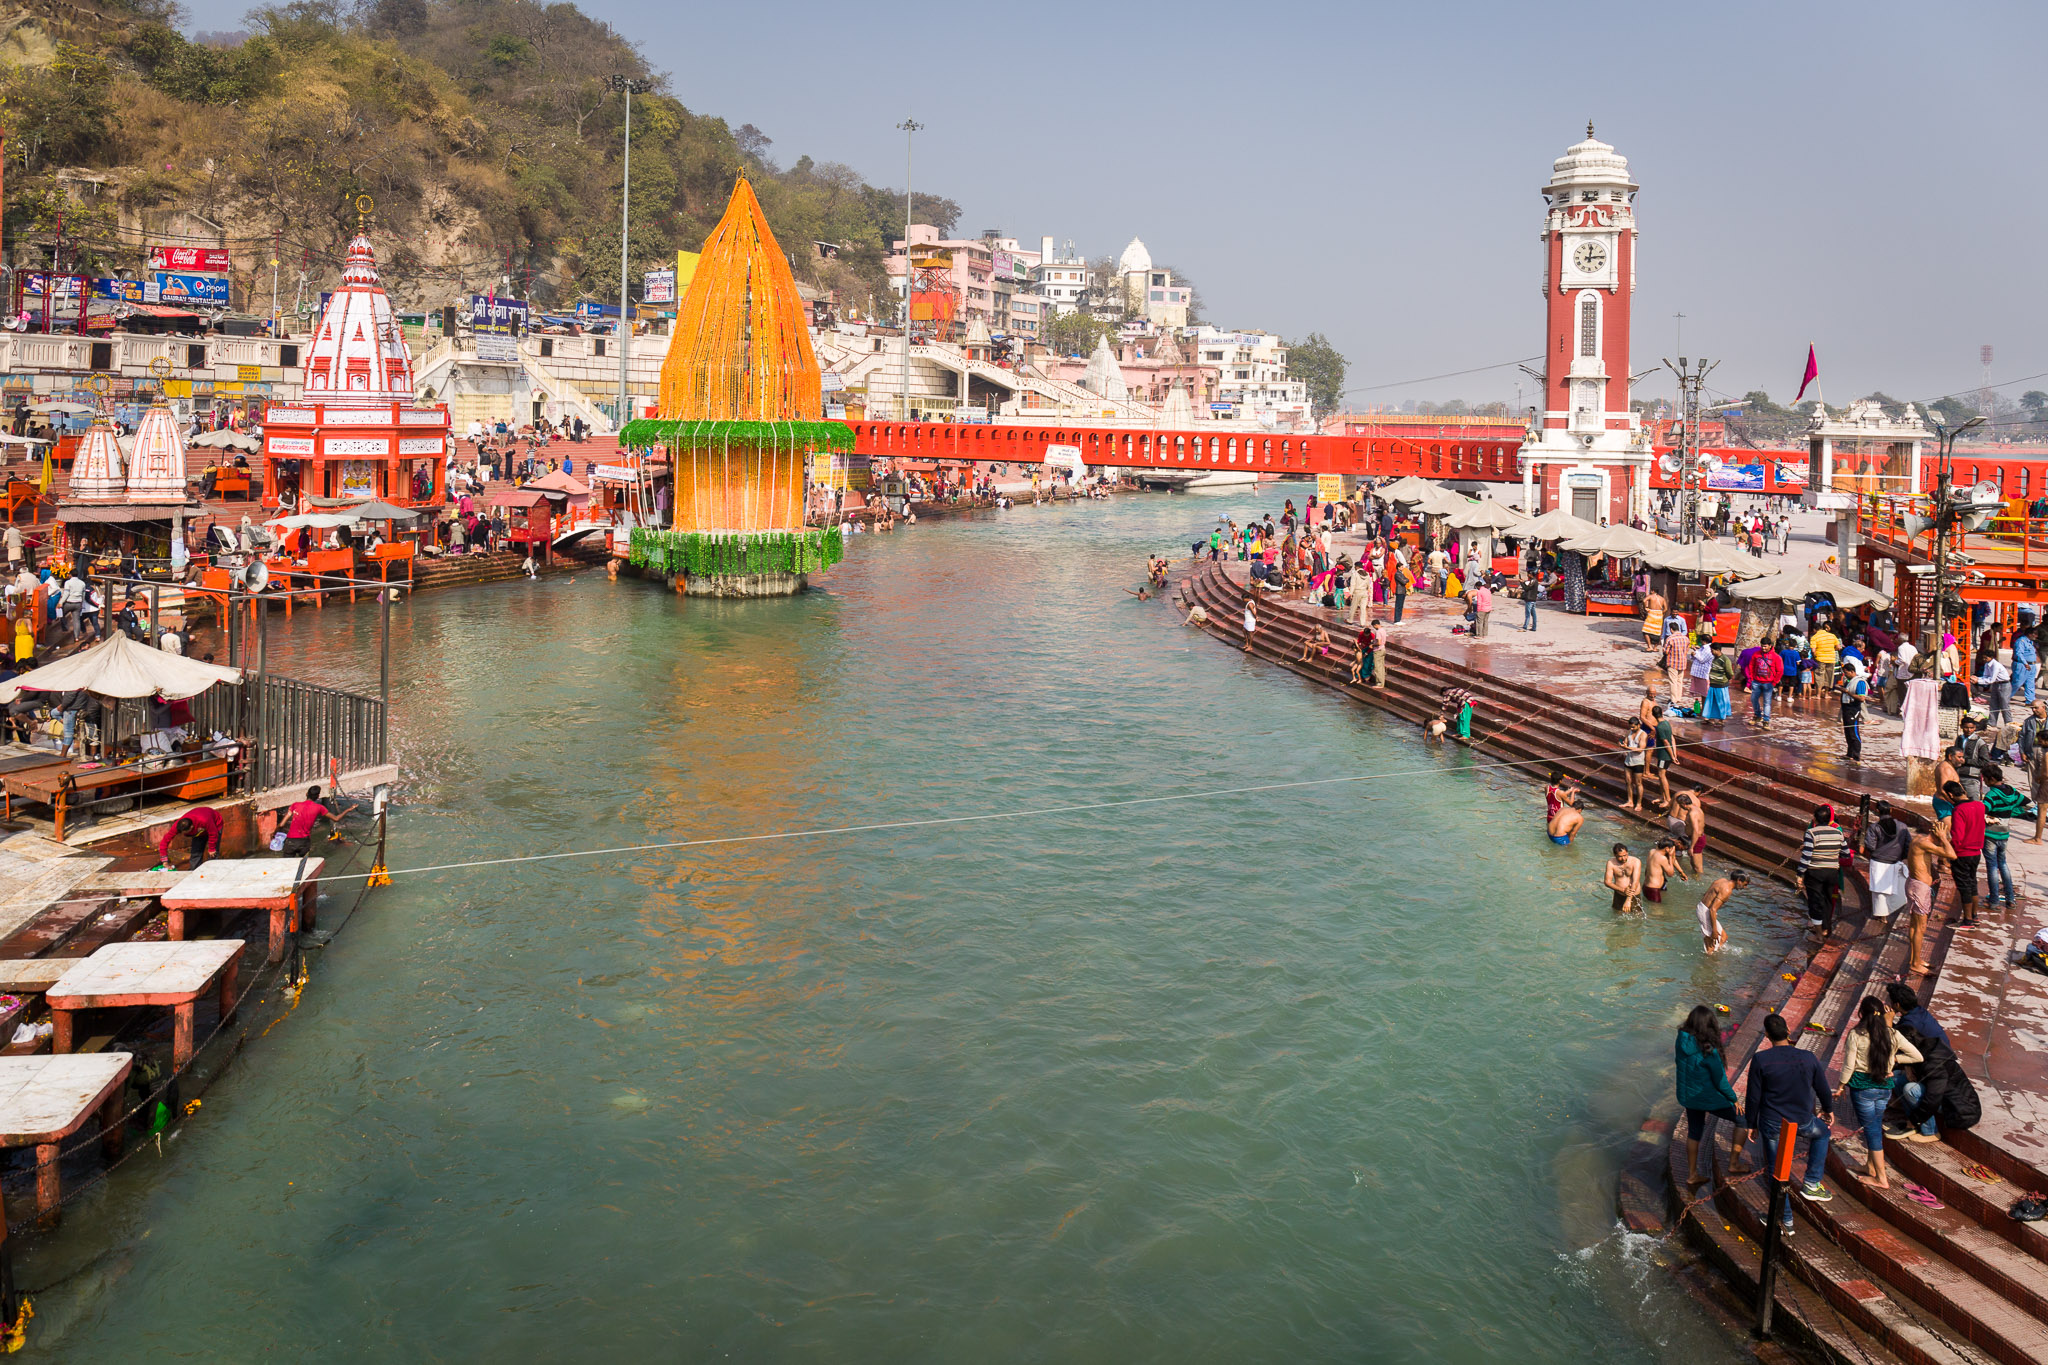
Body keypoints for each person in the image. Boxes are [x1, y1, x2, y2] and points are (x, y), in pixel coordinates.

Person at [1744, 1011, 1835, 1230]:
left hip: (1773, 1123)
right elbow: (1822, 1088)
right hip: (1803, 1120)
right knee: (1822, 1133)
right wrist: (1828, 1109)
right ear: (1788, 1031)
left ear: (1767, 1035)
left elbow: (1753, 1096)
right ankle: (1812, 1182)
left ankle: (1785, 1219)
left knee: (1777, 1171)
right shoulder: (1808, 1057)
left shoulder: (1761, 1059)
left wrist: (1751, 1124)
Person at [1833, 995, 1920, 1190]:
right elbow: (1916, 1056)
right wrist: (1895, 1062)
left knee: (1871, 1131)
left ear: (1861, 1014)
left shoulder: (1856, 1035)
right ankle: (1870, 1167)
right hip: (1884, 1088)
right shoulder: (1892, 1033)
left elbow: (1848, 1066)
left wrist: (1840, 1086)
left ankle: (1881, 1178)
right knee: (1874, 1126)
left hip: (1862, 1089)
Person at [1676, 1003, 1749, 1190]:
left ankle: (1692, 1175)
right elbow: (1721, 1082)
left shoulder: (1681, 1041)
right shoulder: (1709, 1050)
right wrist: (1734, 1099)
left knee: (1694, 1132)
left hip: (1689, 1097)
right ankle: (1734, 1163)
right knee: (1742, 1119)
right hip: (1708, 1097)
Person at [1978, 762, 2030, 912]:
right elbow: (2028, 804)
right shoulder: (2012, 791)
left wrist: (1991, 817)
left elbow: (1983, 812)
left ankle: (1994, 900)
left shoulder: (1992, 795)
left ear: (1992, 779)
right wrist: (2010, 813)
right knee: (2003, 864)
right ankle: (2010, 899)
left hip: (1991, 834)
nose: (1985, 782)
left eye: (1986, 779)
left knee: (1992, 867)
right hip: (2004, 834)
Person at [1798, 804, 1847, 935]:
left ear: (1816, 819)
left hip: (1815, 872)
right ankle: (1825, 928)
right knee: (1828, 900)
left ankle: (1819, 934)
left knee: (1815, 901)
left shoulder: (1811, 833)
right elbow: (1846, 853)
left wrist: (1800, 873)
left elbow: (1807, 856)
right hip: (1832, 872)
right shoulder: (1838, 832)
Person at [1945, 779, 1985, 928]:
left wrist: (1947, 849)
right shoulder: (1979, 806)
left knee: (1964, 887)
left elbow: (1958, 837)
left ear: (1950, 794)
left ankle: (1967, 920)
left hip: (1963, 853)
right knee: (1972, 883)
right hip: (1976, 852)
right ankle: (1974, 916)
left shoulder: (1958, 810)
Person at [157, 806, 223, 870]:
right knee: (195, 852)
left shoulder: (204, 820)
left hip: (215, 825)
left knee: (213, 853)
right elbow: (164, 842)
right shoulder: (177, 826)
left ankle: (212, 870)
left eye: (186, 832)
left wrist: (211, 848)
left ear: (191, 827)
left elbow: (213, 833)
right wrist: (165, 861)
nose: (184, 834)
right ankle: (194, 871)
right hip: (199, 832)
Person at [1696, 869, 1746, 953]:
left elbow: (1706, 894)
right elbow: (1713, 909)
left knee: (1723, 937)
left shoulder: (1721, 880)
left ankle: (1714, 957)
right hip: (1706, 912)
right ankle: (1708, 961)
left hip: (1702, 907)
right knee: (1711, 946)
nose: (1745, 887)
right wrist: (1714, 930)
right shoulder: (1727, 890)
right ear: (1739, 880)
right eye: (1745, 885)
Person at [279, 786, 339, 856]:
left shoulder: (295, 805)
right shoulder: (319, 808)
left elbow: (281, 824)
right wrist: (348, 809)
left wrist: (275, 831)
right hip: (304, 841)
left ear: (306, 794)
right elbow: (336, 818)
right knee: (304, 864)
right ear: (318, 796)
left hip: (291, 841)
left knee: (287, 864)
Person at [1648, 704, 1678, 812]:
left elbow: (1666, 742)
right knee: (1661, 775)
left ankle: (1668, 799)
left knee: (1662, 775)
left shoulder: (1660, 727)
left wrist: (1671, 756)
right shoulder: (1667, 723)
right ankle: (1662, 796)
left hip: (1664, 756)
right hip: (1668, 754)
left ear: (1653, 715)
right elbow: (1672, 738)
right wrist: (1675, 754)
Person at [1745, 641, 1783, 726]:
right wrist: (1751, 679)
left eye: (1765, 646)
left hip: (1768, 683)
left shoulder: (1776, 657)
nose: (1763, 648)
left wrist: (1774, 682)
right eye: (1762, 646)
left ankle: (1766, 720)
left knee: (1767, 702)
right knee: (1754, 699)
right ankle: (1757, 715)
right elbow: (1751, 666)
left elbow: (1780, 670)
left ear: (1770, 646)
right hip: (1756, 682)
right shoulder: (1756, 654)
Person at [1838, 657, 1868, 761]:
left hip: (1853, 709)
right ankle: (1849, 753)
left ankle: (1856, 755)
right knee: (1847, 732)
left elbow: (1861, 697)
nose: (1845, 674)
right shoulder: (1849, 681)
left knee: (1853, 732)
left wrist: (1847, 692)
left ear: (1852, 671)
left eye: (1846, 672)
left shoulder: (1859, 682)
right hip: (1846, 708)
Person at [1671, 790, 1707, 875]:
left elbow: (1696, 830)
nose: (1680, 807)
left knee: (1697, 867)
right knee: (1693, 863)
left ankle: (1699, 881)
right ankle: (1695, 878)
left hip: (1697, 840)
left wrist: (1691, 847)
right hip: (1696, 838)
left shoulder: (1692, 813)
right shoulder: (1696, 808)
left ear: (1684, 804)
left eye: (1680, 805)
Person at [1645, 837, 1687, 905]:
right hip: (1653, 889)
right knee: (1657, 912)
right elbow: (1670, 874)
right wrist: (1670, 856)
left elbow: (1674, 859)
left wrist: (1681, 872)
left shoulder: (1652, 851)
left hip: (1648, 886)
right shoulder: (1662, 858)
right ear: (1667, 849)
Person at [1976, 648, 2013, 725]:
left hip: (2004, 685)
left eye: (1986, 658)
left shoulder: (1996, 665)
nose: (1984, 659)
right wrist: (1977, 678)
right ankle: (1992, 723)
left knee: (2004, 705)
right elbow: (1985, 676)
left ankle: (2008, 723)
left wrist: (1978, 681)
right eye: (1983, 657)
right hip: (1996, 685)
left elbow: (1991, 679)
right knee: (1993, 704)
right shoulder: (1987, 665)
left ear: (1991, 657)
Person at [1604, 843, 1643, 914]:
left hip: (1634, 895)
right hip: (1619, 894)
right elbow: (1607, 882)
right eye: (1620, 856)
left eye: (1625, 855)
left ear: (1627, 853)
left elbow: (1635, 881)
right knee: (1617, 915)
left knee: (1637, 917)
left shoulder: (1636, 861)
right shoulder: (1611, 863)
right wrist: (1622, 890)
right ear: (1615, 855)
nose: (1623, 858)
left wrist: (1628, 899)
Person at [1620, 716, 1648, 811]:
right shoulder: (1628, 732)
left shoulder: (1643, 734)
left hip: (1638, 762)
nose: (1631, 729)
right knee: (1628, 782)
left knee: (1638, 783)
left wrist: (1627, 748)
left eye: (1633, 727)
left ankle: (1639, 803)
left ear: (1638, 725)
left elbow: (1640, 749)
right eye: (1630, 727)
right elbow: (1626, 743)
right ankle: (1630, 801)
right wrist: (1622, 745)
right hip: (1628, 760)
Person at [1642, 586, 1666, 654]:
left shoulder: (1651, 596)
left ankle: (1649, 646)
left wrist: (1646, 608)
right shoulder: (1662, 598)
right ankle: (1655, 648)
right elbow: (1665, 609)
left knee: (1645, 630)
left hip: (1651, 613)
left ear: (1652, 591)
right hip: (1659, 614)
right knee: (1657, 632)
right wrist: (1661, 613)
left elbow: (1644, 600)